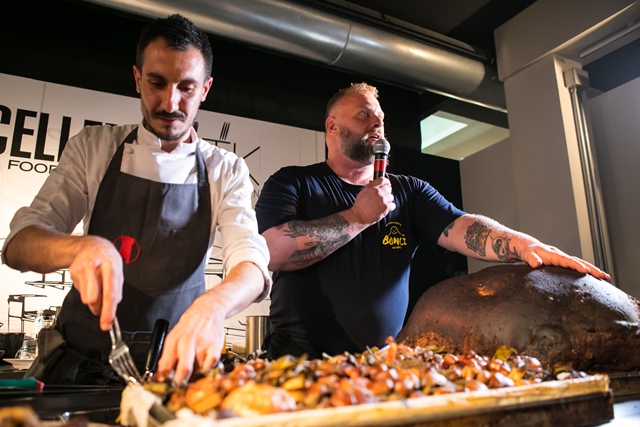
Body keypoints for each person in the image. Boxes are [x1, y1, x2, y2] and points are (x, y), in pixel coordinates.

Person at [1, 14, 270, 385]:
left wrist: (215, 304)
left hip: (172, 370)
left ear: (205, 89)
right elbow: (19, 246)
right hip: (79, 365)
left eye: (186, 88)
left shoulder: (225, 169)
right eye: (157, 83)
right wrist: (77, 250)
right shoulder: (94, 147)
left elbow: (252, 265)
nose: (169, 102)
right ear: (137, 78)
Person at [255, 82, 609, 360]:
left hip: (382, 367)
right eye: (363, 115)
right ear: (332, 126)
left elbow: (462, 228)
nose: (377, 123)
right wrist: (358, 217)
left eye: (379, 117)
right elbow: (272, 251)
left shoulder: (409, 192)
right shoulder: (294, 182)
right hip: (298, 362)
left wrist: (522, 244)